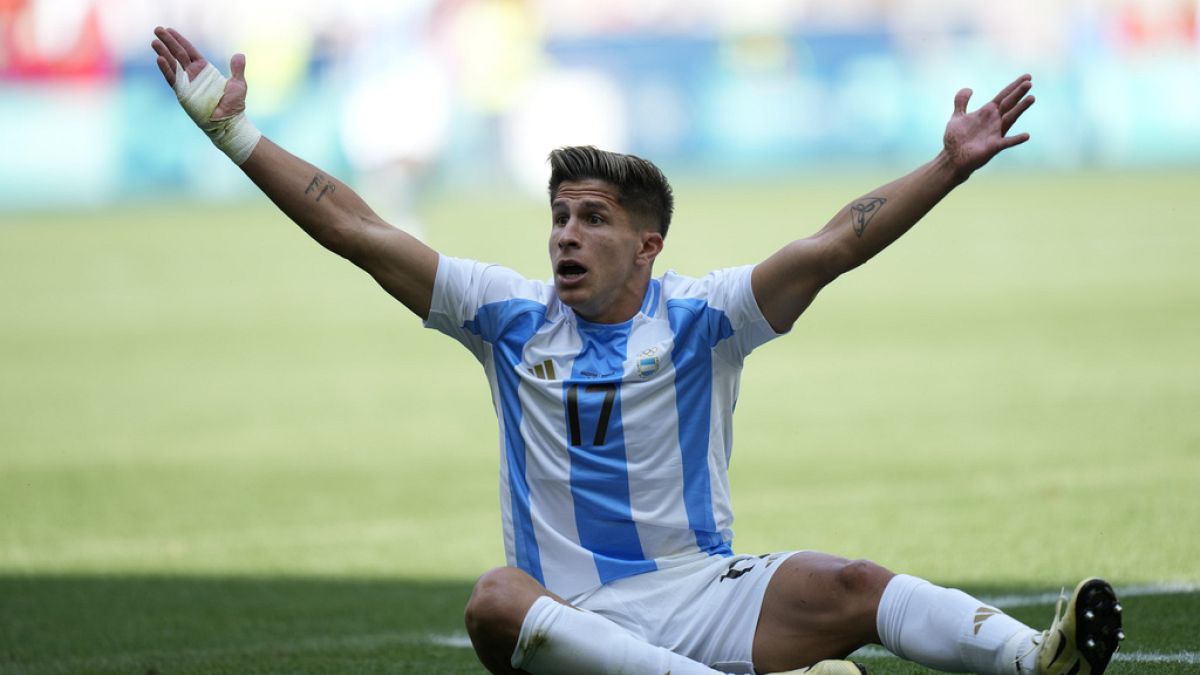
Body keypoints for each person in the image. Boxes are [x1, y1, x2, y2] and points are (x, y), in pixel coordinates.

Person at [151, 25, 1124, 675]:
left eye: (594, 220)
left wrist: (948, 168)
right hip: (571, 621)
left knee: (855, 587)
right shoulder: (504, 314)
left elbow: (838, 242)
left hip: (700, 595)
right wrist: (238, 136)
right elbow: (357, 229)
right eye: (560, 217)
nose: (565, 235)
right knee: (495, 601)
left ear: (648, 244)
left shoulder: (706, 316)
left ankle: (1037, 660)